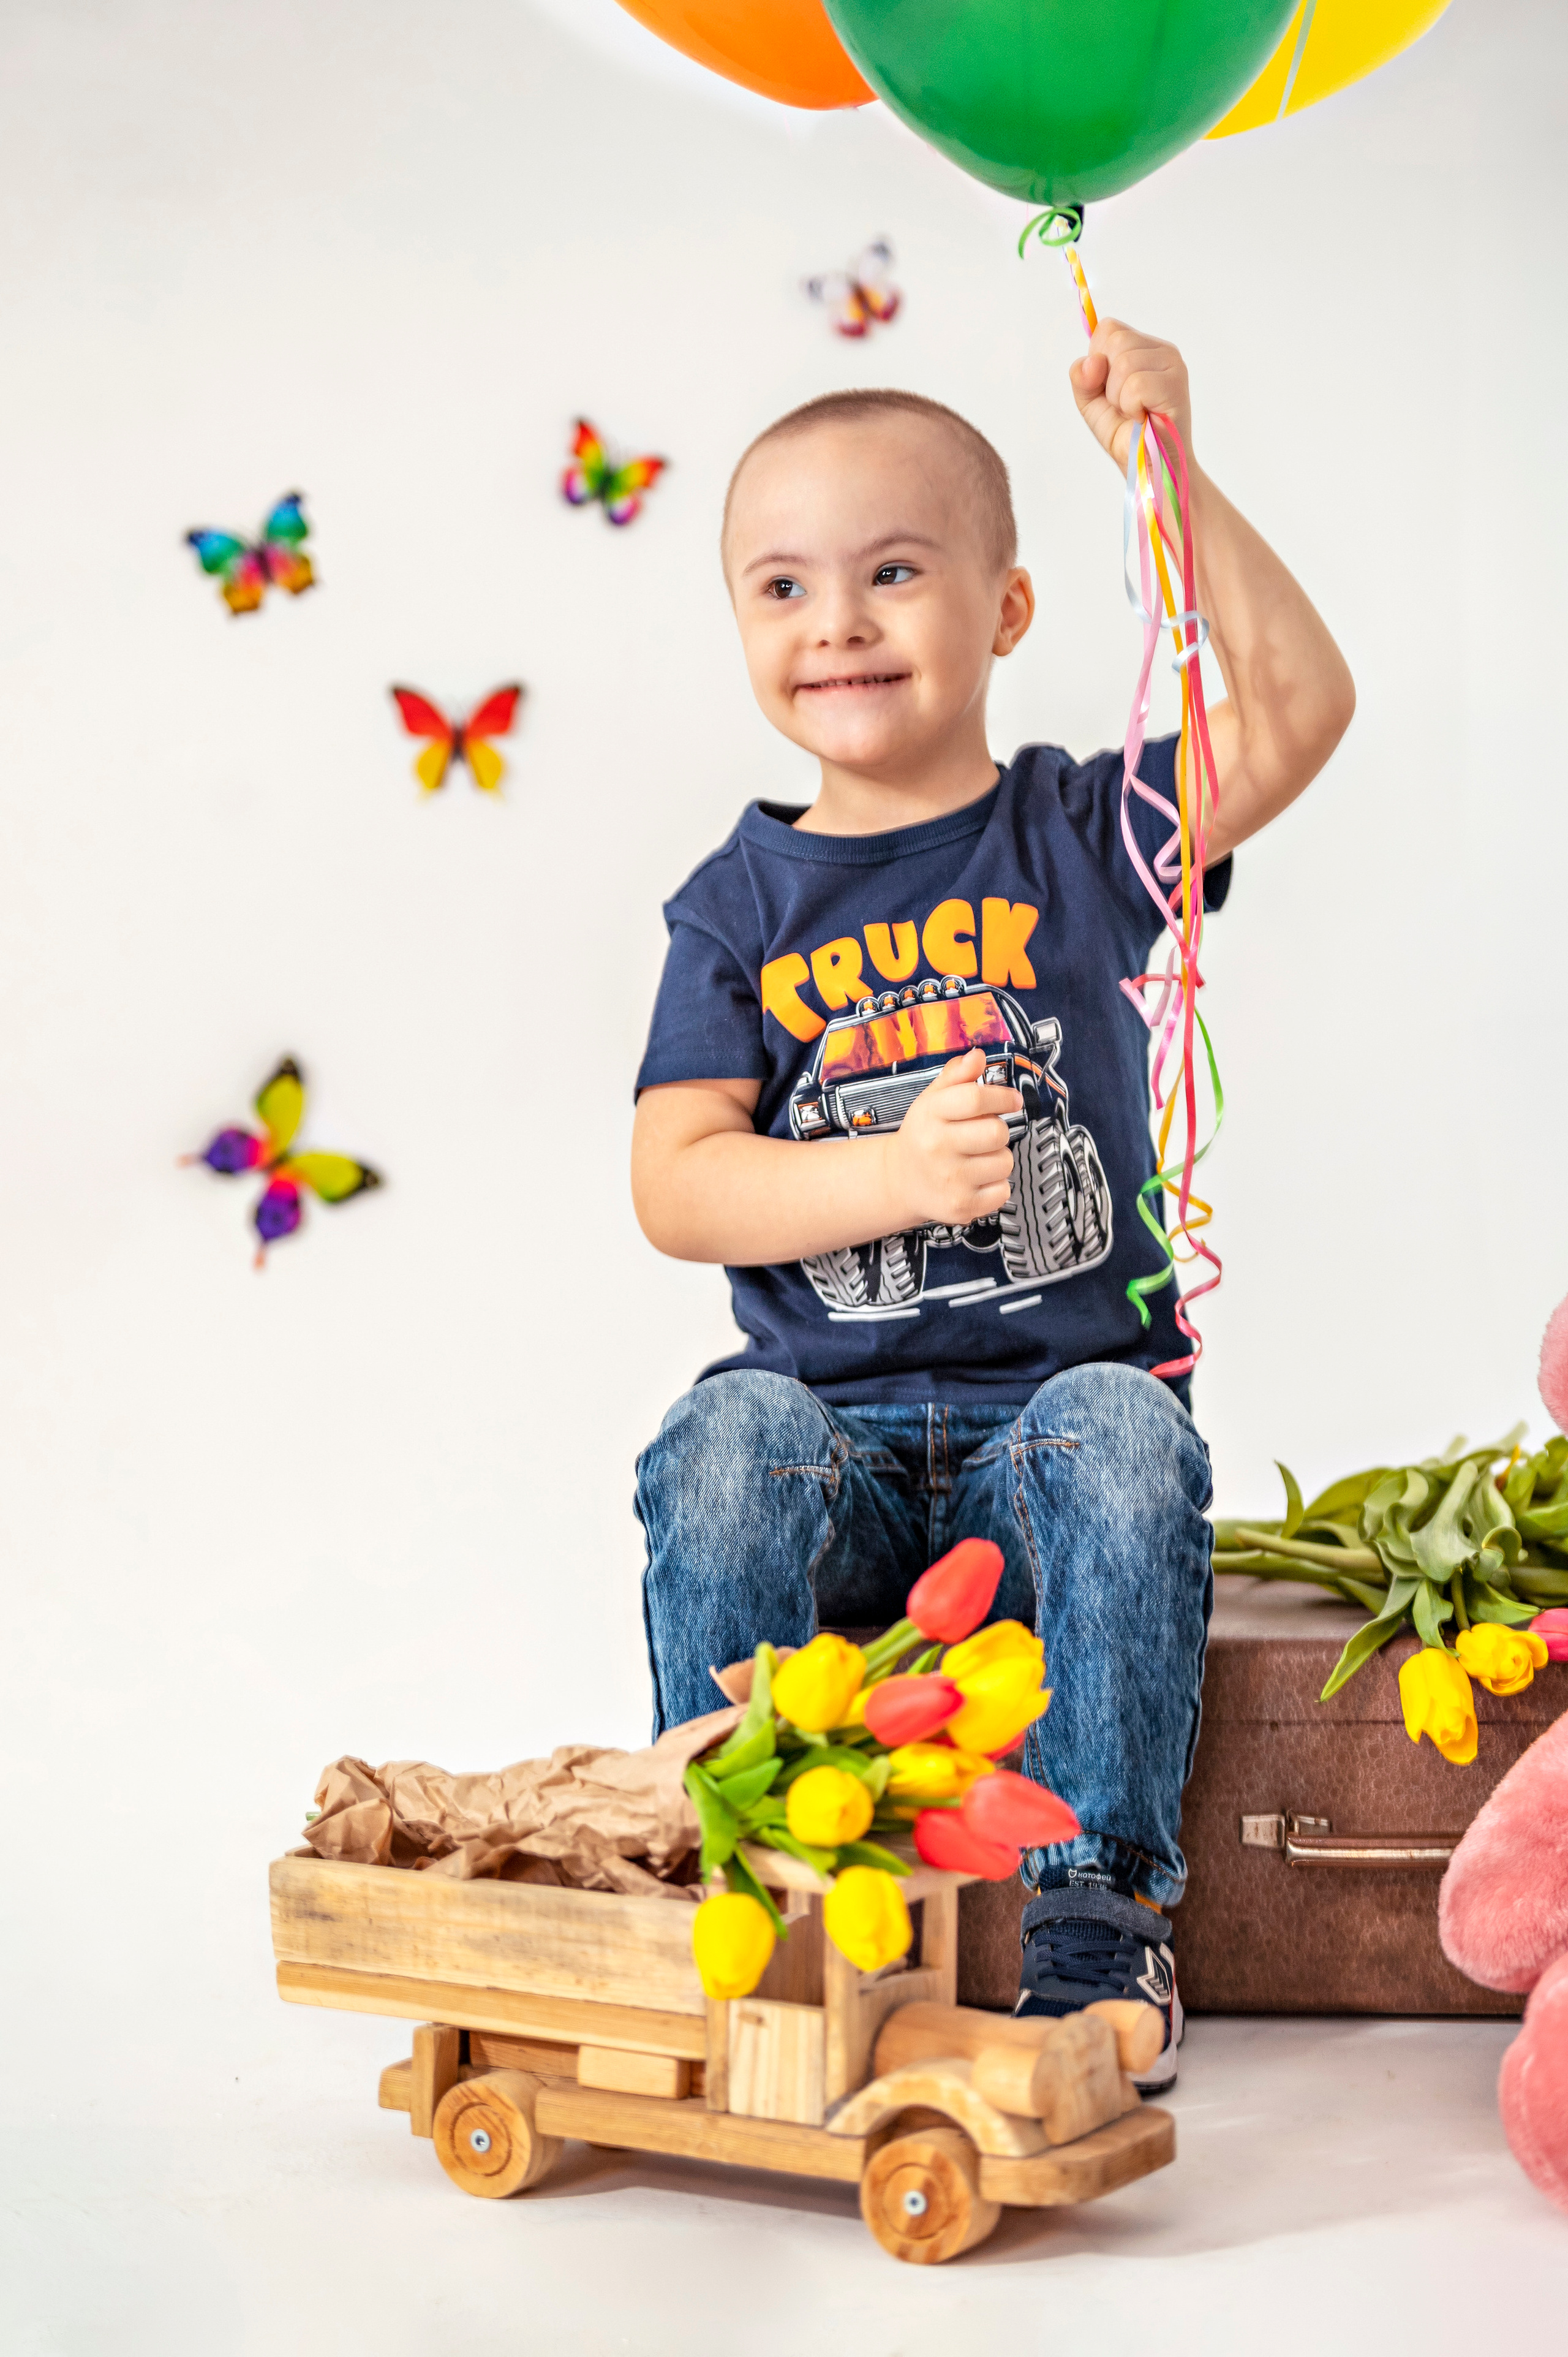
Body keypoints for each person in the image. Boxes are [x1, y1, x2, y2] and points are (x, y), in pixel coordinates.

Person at [630, 322, 1354, 2087]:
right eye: (784, 587)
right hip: (836, 1447)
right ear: (741, 630)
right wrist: (886, 1176)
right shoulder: (737, 902)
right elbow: (673, 1182)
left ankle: (1094, 1922)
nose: (839, 623)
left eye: (893, 572)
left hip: (1050, 1427)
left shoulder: (1072, 836)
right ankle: (751, 1881)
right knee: (718, 1443)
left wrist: (1167, 472)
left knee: (1126, 1420)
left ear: (1009, 611)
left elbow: (1301, 710)